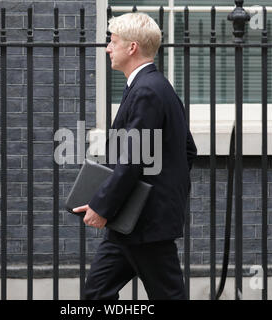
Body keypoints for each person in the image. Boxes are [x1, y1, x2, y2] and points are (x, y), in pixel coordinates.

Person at [72, 12, 197, 300]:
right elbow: (187, 151)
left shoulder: (147, 91)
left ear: (132, 48)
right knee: (96, 295)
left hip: (145, 224)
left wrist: (103, 206)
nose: (107, 48)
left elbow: (133, 159)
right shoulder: (156, 88)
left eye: (112, 41)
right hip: (133, 222)